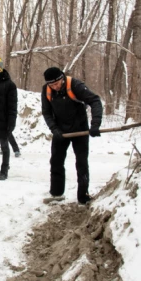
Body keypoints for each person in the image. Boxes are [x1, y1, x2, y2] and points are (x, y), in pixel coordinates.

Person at [41, 66, 102, 205]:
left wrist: (95, 125)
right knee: (56, 162)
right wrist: (54, 129)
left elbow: (95, 101)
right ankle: (56, 193)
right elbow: (46, 112)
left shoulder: (75, 85)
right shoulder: (47, 90)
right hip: (60, 131)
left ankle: (83, 196)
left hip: (80, 129)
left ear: (62, 78)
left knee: (81, 163)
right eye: (51, 84)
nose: (55, 87)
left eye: (56, 83)